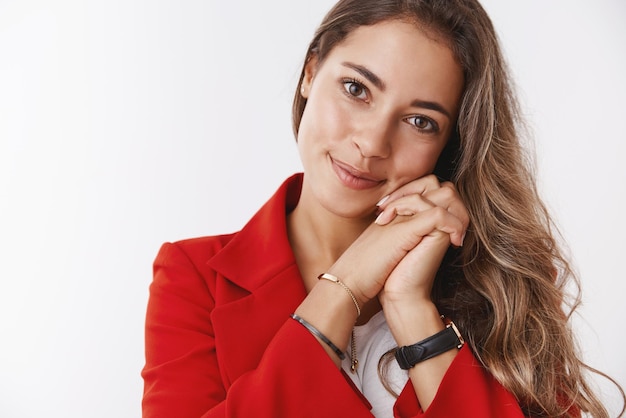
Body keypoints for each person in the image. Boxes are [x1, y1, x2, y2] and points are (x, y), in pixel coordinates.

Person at [141, 0, 624, 417]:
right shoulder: (194, 278)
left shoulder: (505, 285)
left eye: (420, 121)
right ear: (311, 72)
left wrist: (412, 310)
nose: (371, 142)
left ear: (451, 142)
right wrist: (347, 284)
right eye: (356, 89)